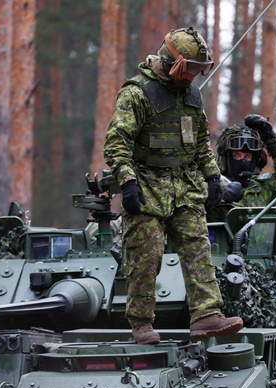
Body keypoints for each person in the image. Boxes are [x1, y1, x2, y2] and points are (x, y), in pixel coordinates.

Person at [104, 27, 243, 344]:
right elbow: (116, 144)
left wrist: (211, 175)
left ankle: (207, 315)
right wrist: (127, 182)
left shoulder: (191, 95)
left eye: (199, 70)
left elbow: (201, 144)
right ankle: (141, 324)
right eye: (191, 68)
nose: (195, 76)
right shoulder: (137, 94)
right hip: (146, 188)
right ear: (174, 63)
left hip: (185, 187)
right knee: (145, 258)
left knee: (198, 250)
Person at [208, 114, 276, 221]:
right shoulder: (212, 184)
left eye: (247, 157)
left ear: (254, 161)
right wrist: (222, 190)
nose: (242, 161)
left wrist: (271, 140)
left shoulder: (261, 190)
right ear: (226, 158)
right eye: (236, 155)